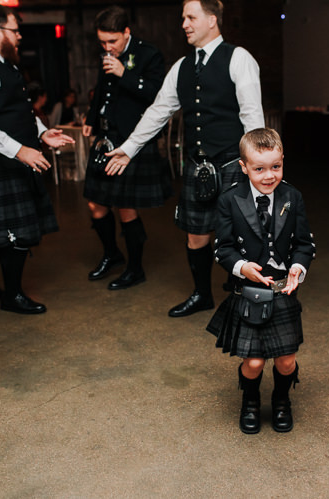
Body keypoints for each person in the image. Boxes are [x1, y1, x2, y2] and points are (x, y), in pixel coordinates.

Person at [106, 0, 264, 317]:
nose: (184, 24)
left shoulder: (239, 58)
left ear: (212, 19)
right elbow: (158, 112)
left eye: (190, 17)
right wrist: (129, 147)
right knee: (196, 234)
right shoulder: (181, 66)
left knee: (243, 235)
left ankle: (248, 297)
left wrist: (258, 167)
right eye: (183, 18)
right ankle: (202, 294)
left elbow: (252, 117)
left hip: (236, 163)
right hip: (198, 166)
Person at [0, 2, 74, 314]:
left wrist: (43, 132)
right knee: (14, 233)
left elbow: (18, 111)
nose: (20, 37)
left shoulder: (5, 64)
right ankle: (12, 295)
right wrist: (20, 150)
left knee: (17, 232)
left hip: (13, 160)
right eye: (15, 30)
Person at [206, 128, 315, 433]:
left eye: (276, 167)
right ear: (243, 167)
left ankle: (281, 401)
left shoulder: (292, 196)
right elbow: (222, 247)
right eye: (259, 168)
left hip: (282, 289)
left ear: (283, 161)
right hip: (249, 291)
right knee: (253, 363)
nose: (269, 175)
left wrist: (297, 269)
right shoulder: (230, 199)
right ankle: (250, 402)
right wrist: (242, 267)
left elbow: (304, 244)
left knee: (286, 361)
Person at [81, 6, 171, 289]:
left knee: (125, 207)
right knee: (95, 203)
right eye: (103, 42)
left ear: (126, 32)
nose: (107, 48)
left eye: (113, 41)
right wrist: (92, 119)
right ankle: (112, 254)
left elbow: (159, 97)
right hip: (107, 136)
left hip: (133, 140)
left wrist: (125, 73)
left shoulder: (149, 54)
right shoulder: (108, 54)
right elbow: (101, 87)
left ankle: (135, 268)